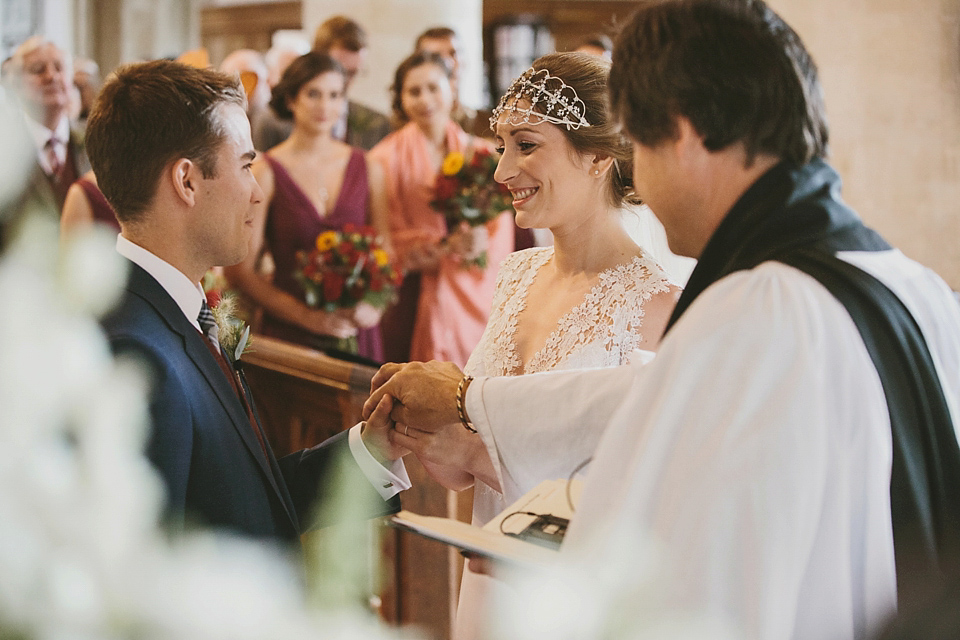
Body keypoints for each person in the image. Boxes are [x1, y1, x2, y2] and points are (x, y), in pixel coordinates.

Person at [364, 1, 960, 638]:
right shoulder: (916, 285)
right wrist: (473, 406)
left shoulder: (762, 308)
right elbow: (638, 401)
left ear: (683, 132)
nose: (638, 176)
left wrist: (466, 405)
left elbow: (672, 532)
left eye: (640, 146)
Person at [413, 52, 681, 639]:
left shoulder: (658, 307)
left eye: (527, 145)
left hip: (573, 601)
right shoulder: (516, 275)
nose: (503, 170)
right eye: (502, 145)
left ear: (599, 156)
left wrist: (477, 454)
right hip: (487, 571)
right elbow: (470, 458)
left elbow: (642, 494)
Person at [88, 59, 408, 545]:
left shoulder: (177, 311)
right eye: (245, 165)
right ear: (187, 181)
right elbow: (152, 579)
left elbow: (239, 502)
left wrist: (373, 446)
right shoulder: (135, 353)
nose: (257, 192)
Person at [224, 52, 391, 362]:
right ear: (291, 99)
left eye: (334, 95)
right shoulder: (267, 172)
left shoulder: (368, 167)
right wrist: (310, 318)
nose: (325, 106)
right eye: (313, 94)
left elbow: (386, 251)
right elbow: (241, 272)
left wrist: (375, 306)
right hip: (291, 333)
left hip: (356, 331)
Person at [369, 51, 515, 367]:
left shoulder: (483, 153)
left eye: (433, 88)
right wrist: (443, 247)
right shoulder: (383, 158)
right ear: (401, 99)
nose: (425, 99)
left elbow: (500, 230)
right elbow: (385, 236)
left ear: (451, 88)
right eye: (414, 91)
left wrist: (478, 243)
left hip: (474, 286)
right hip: (410, 290)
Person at [253, 16, 390, 152]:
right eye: (339, 69)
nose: (344, 81)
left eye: (353, 73)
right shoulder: (271, 123)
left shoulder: (378, 124)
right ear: (317, 59)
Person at [4, 37, 90, 223]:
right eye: (38, 70)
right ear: (15, 85)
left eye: (59, 68)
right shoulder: (5, 148)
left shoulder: (94, 141)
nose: (51, 76)